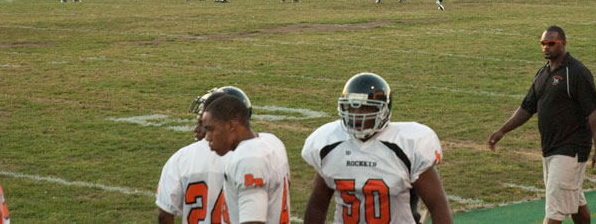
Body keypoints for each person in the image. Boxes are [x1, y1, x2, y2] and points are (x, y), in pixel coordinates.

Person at [488, 25, 596, 224]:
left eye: (551, 43)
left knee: (554, 212)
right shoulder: (542, 74)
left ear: (563, 44)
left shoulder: (576, 73)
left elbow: (593, 116)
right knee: (575, 203)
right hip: (551, 148)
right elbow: (527, 108)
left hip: (570, 150)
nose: (546, 47)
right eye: (543, 43)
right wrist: (502, 130)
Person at [302, 72, 453, 224]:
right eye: (352, 108)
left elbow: (437, 205)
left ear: (383, 111)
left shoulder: (407, 146)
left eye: (366, 108)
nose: (356, 115)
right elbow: (318, 205)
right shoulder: (329, 144)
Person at [156, 86, 252, 224]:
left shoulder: (181, 158)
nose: (197, 129)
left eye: (205, 123)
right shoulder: (256, 155)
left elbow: (164, 214)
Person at [203, 94, 291, 224]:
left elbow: (253, 221)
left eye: (211, 129)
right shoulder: (272, 141)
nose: (207, 137)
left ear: (231, 125)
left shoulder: (248, 160)